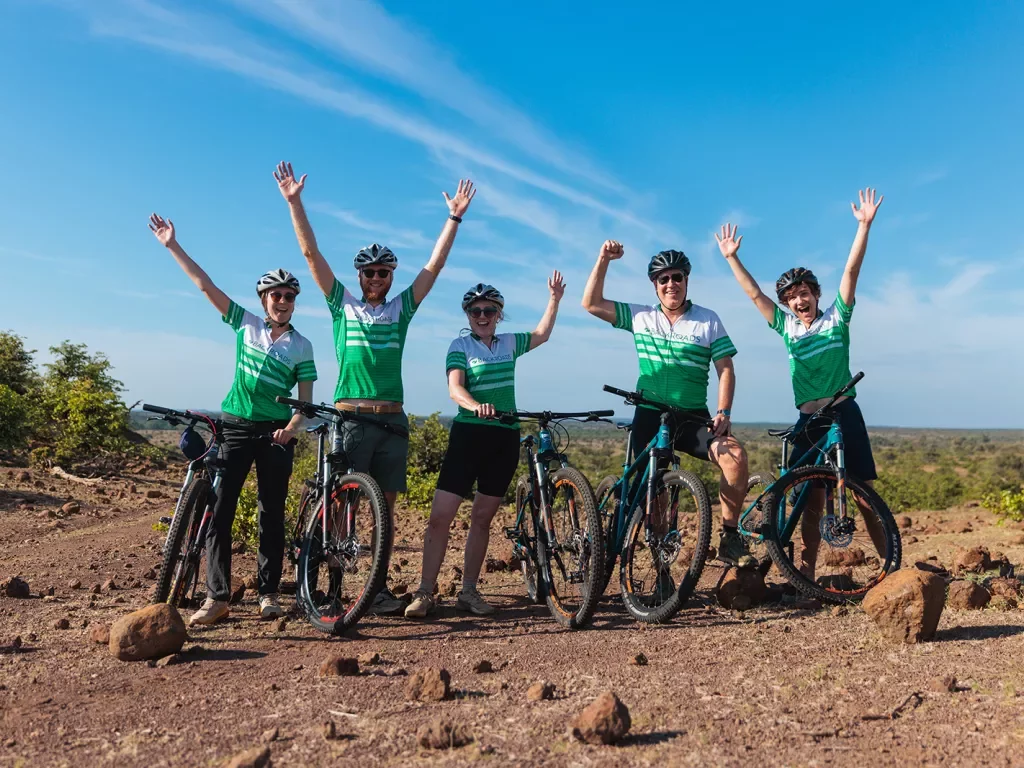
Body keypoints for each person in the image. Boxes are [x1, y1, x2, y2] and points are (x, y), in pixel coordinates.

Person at [273, 161, 476, 614]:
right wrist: (294, 203)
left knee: (383, 511)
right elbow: (311, 256)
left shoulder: (402, 309)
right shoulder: (341, 305)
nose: (376, 278)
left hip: (392, 420)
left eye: (384, 272)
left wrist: (454, 218)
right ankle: (332, 589)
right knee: (345, 508)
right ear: (359, 276)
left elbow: (434, 266)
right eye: (369, 272)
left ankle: (376, 589)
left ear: (390, 277)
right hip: (350, 417)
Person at [148, 213, 317, 625]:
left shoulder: (302, 345)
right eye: (275, 296)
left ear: (294, 303)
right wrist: (172, 245)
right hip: (236, 427)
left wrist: (291, 430)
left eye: (289, 297)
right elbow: (205, 285)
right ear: (264, 300)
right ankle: (217, 597)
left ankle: (268, 594)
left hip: (276, 434)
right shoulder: (246, 325)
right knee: (220, 512)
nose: (282, 302)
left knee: (270, 515)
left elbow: (306, 402)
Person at [716, 187, 885, 577]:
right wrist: (732, 258)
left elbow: (851, 272)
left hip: (844, 411)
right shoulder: (787, 327)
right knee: (809, 499)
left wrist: (864, 226)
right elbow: (754, 293)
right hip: (808, 421)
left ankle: (888, 569)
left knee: (864, 496)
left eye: (804, 293)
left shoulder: (836, 318)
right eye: (791, 297)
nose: (798, 301)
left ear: (815, 295)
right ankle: (804, 576)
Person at [582, 240, 754, 568]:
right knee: (653, 493)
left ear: (687, 281)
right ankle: (659, 569)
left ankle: (730, 536)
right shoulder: (640, 316)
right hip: (649, 414)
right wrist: (603, 258)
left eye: (677, 277)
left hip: (691, 417)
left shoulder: (707, 320)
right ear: (655, 285)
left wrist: (724, 412)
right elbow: (590, 303)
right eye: (664, 279)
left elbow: (726, 368)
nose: (671, 284)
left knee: (735, 457)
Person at [405, 273, 566, 618]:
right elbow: (454, 388)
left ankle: (468, 591)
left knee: (481, 518)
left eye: (489, 311)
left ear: (498, 314)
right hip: (469, 435)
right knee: (440, 517)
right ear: (467, 314)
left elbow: (542, 335)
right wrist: (474, 404)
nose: (481, 316)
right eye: (475, 310)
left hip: (503, 437)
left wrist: (554, 298)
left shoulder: (509, 342)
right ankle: (424, 592)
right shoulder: (460, 346)